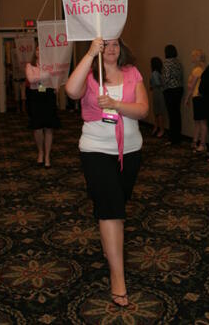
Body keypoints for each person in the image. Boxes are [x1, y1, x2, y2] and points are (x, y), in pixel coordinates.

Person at [65, 37, 148, 307]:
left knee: (116, 206)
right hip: (96, 150)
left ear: (121, 48)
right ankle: (118, 278)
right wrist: (89, 54)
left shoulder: (132, 72)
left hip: (130, 151)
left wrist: (114, 104)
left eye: (115, 45)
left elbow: (143, 110)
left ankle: (108, 240)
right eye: (105, 44)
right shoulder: (89, 75)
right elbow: (71, 91)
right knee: (112, 209)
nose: (111, 49)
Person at [25, 46, 60, 168]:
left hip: (49, 96)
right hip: (36, 97)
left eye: (42, 50)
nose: (40, 52)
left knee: (49, 127)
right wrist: (47, 75)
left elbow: (56, 79)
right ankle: (40, 151)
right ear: (35, 52)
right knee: (37, 127)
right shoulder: (30, 66)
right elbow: (31, 79)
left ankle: (47, 156)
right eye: (38, 49)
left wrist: (55, 84)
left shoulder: (51, 65)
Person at [185, 49, 207, 152]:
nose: (192, 58)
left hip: (198, 97)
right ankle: (195, 141)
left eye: (193, 56)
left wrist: (186, 98)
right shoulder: (202, 68)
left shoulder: (197, 70)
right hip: (199, 97)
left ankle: (202, 144)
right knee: (198, 121)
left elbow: (191, 87)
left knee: (201, 122)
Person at [162, 44, 184, 145]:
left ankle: (172, 138)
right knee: (177, 114)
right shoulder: (178, 62)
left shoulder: (167, 63)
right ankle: (178, 137)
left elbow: (165, 78)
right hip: (179, 89)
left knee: (171, 114)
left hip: (170, 90)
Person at [150, 56, 165, 137]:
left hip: (157, 93)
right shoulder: (159, 73)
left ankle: (160, 129)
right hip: (159, 93)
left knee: (158, 112)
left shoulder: (154, 73)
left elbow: (157, 84)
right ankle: (158, 128)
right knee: (158, 112)